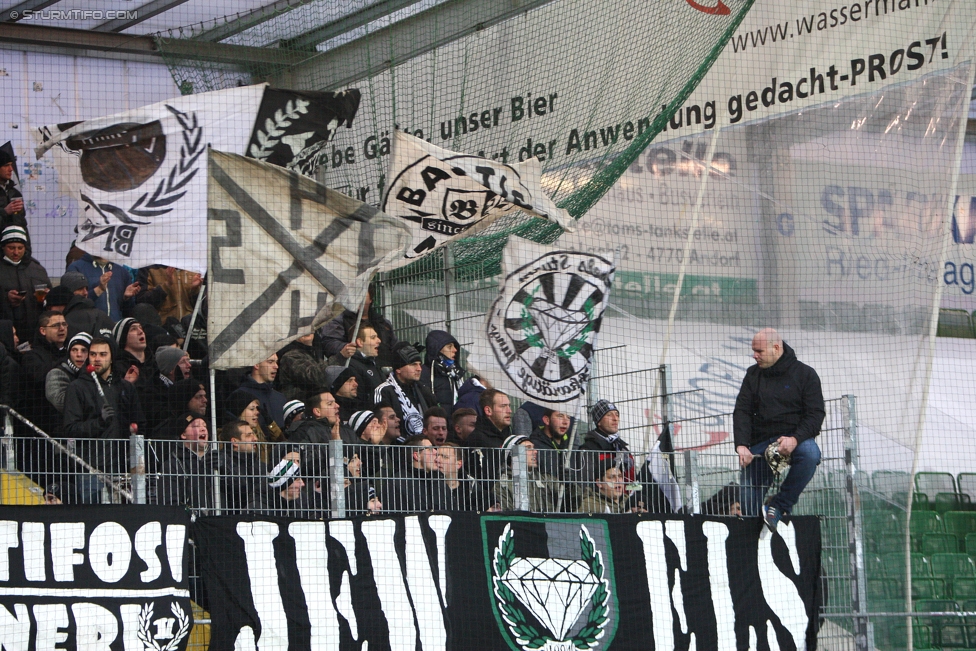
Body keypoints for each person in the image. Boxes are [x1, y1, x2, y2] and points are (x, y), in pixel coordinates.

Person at [734, 328, 824, 532]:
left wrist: (795, 439)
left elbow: (815, 415)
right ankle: (752, 538)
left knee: (811, 454)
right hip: (760, 444)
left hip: (794, 440)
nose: (754, 355)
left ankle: (779, 505)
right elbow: (742, 410)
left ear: (776, 348)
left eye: (759, 351)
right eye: (753, 351)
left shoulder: (805, 374)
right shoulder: (752, 374)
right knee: (749, 509)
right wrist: (741, 445)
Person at [62, 337, 145, 502]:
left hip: (122, 468)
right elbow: (70, 429)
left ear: (112, 357)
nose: (97, 358)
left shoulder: (125, 387)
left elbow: (139, 422)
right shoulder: (77, 387)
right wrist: (99, 423)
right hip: (91, 469)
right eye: (93, 354)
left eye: (102, 354)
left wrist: (134, 428)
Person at [318, 284, 398, 368]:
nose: (358, 298)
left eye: (362, 295)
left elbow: (395, 347)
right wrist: (357, 351)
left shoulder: (384, 323)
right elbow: (329, 344)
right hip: (352, 370)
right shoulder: (338, 319)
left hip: (383, 372)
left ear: (370, 299)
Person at [155, 412, 217, 512]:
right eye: (196, 426)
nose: (203, 428)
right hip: (189, 523)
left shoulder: (219, 459)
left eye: (205, 426)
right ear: (183, 434)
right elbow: (169, 502)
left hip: (219, 521)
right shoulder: (173, 464)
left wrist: (226, 467)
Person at [374, 343, 436, 443]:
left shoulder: (423, 391)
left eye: (420, 364)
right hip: (395, 450)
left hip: (423, 448)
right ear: (398, 369)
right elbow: (382, 426)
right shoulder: (384, 391)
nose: (419, 369)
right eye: (413, 364)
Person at [21, 311, 67, 433]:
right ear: (43, 331)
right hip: (42, 423)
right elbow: (39, 377)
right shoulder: (32, 356)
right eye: (56, 325)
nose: (62, 328)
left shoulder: (71, 353)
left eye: (64, 324)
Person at [0, 226, 50, 338]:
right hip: (6, 332)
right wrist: (5, 298)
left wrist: (47, 297)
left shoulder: (37, 269)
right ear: (2, 247)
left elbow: (50, 298)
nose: (16, 252)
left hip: (34, 331)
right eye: (11, 248)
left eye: (20, 248)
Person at [496, 434, 564, 513]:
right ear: (513, 454)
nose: (535, 451)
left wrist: (568, 487)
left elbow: (571, 504)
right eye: (528, 448)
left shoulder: (546, 480)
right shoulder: (503, 486)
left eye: (533, 448)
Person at [65, 254, 140, 323]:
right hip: (87, 327)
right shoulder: (76, 267)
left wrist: (126, 298)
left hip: (114, 327)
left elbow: (128, 311)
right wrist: (99, 289)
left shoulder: (121, 271)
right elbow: (72, 304)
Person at [579, 400, 634, 486]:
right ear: (599, 422)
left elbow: (633, 482)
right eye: (609, 415)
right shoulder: (589, 449)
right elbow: (586, 484)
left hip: (625, 499)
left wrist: (633, 498)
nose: (615, 419)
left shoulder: (622, 448)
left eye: (617, 414)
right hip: (598, 499)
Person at [216, 420, 267, 513]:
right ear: (235, 442)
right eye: (248, 435)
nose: (255, 439)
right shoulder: (221, 464)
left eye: (254, 434)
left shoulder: (260, 466)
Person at [382, 435, 438, 512]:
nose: (436, 452)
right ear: (417, 455)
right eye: (430, 449)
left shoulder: (438, 481)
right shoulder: (397, 484)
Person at [466, 389, 513, 480]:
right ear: (488, 411)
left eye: (509, 406)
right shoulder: (477, 439)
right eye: (503, 406)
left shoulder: (509, 437)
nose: (509, 410)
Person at [239, 354, 287, 439]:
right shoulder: (240, 395)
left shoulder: (281, 398)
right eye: (270, 362)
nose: (276, 366)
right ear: (256, 364)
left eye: (276, 362)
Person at [337, 323, 384, 407]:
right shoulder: (351, 366)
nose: (379, 340)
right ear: (360, 342)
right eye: (373, 338)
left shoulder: (373, 362)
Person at [275, 332, 329, 402]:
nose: (307, 331)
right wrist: (340, 357)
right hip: (299, 405)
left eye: (309, 327)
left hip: (317, 402)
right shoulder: (290, 355)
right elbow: (313, 376)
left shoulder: (316, 349)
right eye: (301, 329)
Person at [45, 331, 90, 414]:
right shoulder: (56, 373)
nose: (79, 354)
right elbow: (62, 403)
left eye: (84, 350)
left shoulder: (96, 373)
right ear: (69, 353)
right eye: (74, 350)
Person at [59, 271, 113, 337]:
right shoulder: (62, 317)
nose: (86, 293)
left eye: (86, 289)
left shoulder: (98, 316)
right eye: (80, 289)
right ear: (68, 291)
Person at [420, 330, 464, 409]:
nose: (455, 350)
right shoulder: (424, 374)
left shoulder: (456, 375)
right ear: (436, 349)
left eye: (454, 346)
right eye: (449, 346)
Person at [112, 318, 153, 388]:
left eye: (141, 328)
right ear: (123, 338)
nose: (141, 332)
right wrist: (126, 384)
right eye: (133, 329)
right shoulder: (118, 368)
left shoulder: (154, 362)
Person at [0, 150, 27, 236]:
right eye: (6, 165)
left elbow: (22, 225)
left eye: (11, 165)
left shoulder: (15, 193)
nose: (11, 169)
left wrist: (26, 249)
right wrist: (5, 212)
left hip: (15, 246)